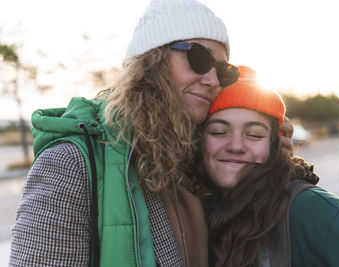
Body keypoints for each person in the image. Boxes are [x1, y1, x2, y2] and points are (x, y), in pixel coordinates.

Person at [9, 1, 293, 267]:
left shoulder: (196, 161)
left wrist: (274, 160)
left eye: (222, 70)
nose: (212, 80)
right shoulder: (72, 163)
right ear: (151, 62)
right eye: (199, 58)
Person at [200, 65, 339, 267]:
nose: (236, 146)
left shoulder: (310, 211)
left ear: (275, 144)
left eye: (254, 135)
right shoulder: (196, 213)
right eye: (218, 132)